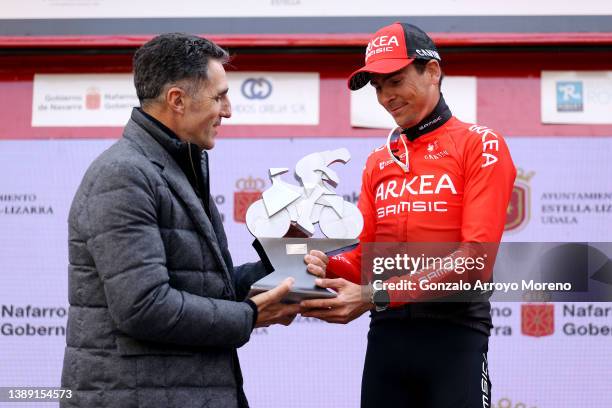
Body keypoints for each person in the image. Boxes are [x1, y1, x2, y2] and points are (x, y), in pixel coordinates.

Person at [61, 33, 299, 408]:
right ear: (177, 100)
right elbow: (143, 306)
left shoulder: (176, 166)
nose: (229, 110)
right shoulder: (124, 174)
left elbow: (200, 286)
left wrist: (275, 270)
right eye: (219, 96)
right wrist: (250, 315)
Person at [301, 22, 516, 407]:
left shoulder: (480, 144)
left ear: (432, 71)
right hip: (387, 338)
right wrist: (324, 264)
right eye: (378, 87)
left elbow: (475, 261)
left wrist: (372, 295)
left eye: (395, 80)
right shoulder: (378, 161)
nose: (385, 96)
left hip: (455, 336)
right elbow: (368, 260)